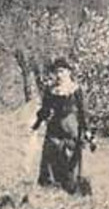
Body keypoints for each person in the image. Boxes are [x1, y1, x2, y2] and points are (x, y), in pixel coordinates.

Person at [32, 59, 93, 194]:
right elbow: (45, 110)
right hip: (54, 130)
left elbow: (83, 112)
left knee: (70, 164)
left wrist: (87, 131)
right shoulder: (51, 90)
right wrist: (37, 124)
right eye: (56, 72)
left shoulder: (76, 90)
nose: (59, 75)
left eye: (62, 71)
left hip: (71, 131)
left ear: (69, 72)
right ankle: (48, 189)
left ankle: (70, 190)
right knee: (50, 158)